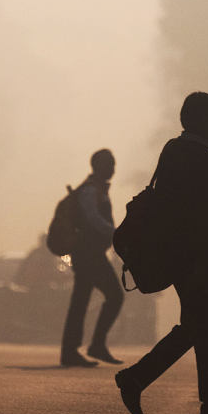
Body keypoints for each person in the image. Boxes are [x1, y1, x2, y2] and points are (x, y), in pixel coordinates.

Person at [114, 91, 208, 414]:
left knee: (205, 328)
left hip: (194, 257)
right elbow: (192, 214)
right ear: (202, 120)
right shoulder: (193, 157)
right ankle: (139, 378)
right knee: (202, 327)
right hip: (199, 259)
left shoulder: (178, 152)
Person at [60, 148, 124, 367]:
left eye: (113, 165)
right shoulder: (90, 191)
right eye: (109, 165)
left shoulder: (96, 189)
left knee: (81, 300)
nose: (112, 170)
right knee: (114, 296)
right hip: (88, 254)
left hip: (89, 253)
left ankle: (72, 350)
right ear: (97, 166)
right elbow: (92, 219)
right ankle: (93, 345)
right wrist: (116, 233)